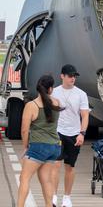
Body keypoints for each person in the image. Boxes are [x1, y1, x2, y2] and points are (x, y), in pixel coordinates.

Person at [17, 74, 63, 207]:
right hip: (54, 146)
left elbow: (24, 130)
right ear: (50, 89)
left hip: (38, 146)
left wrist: (26, 147)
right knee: (45, 179)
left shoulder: (32, 105)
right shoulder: (57, 103)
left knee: (24, 178)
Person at [50, 64, 89, 207]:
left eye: (74, 76)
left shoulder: (81, 94)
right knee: (55, 164)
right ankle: (53, 196)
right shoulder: (54, 92)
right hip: (57, 132)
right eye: (70, 76)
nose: (73, 78)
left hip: (74, 134)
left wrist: (82, 133)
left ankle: (67, 197)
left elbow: (84, 116)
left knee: (70, 167)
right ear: (62, 76)